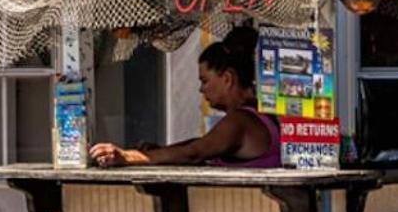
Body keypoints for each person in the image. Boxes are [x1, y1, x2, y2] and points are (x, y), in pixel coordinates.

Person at [90, 25, 281, 168]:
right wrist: (159, 152)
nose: (201, 90)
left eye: (205, 81)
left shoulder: (240, 121)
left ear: (227, 78)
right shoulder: (256, 114)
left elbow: (194, 152)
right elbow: (198, 144)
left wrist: (128, 157)